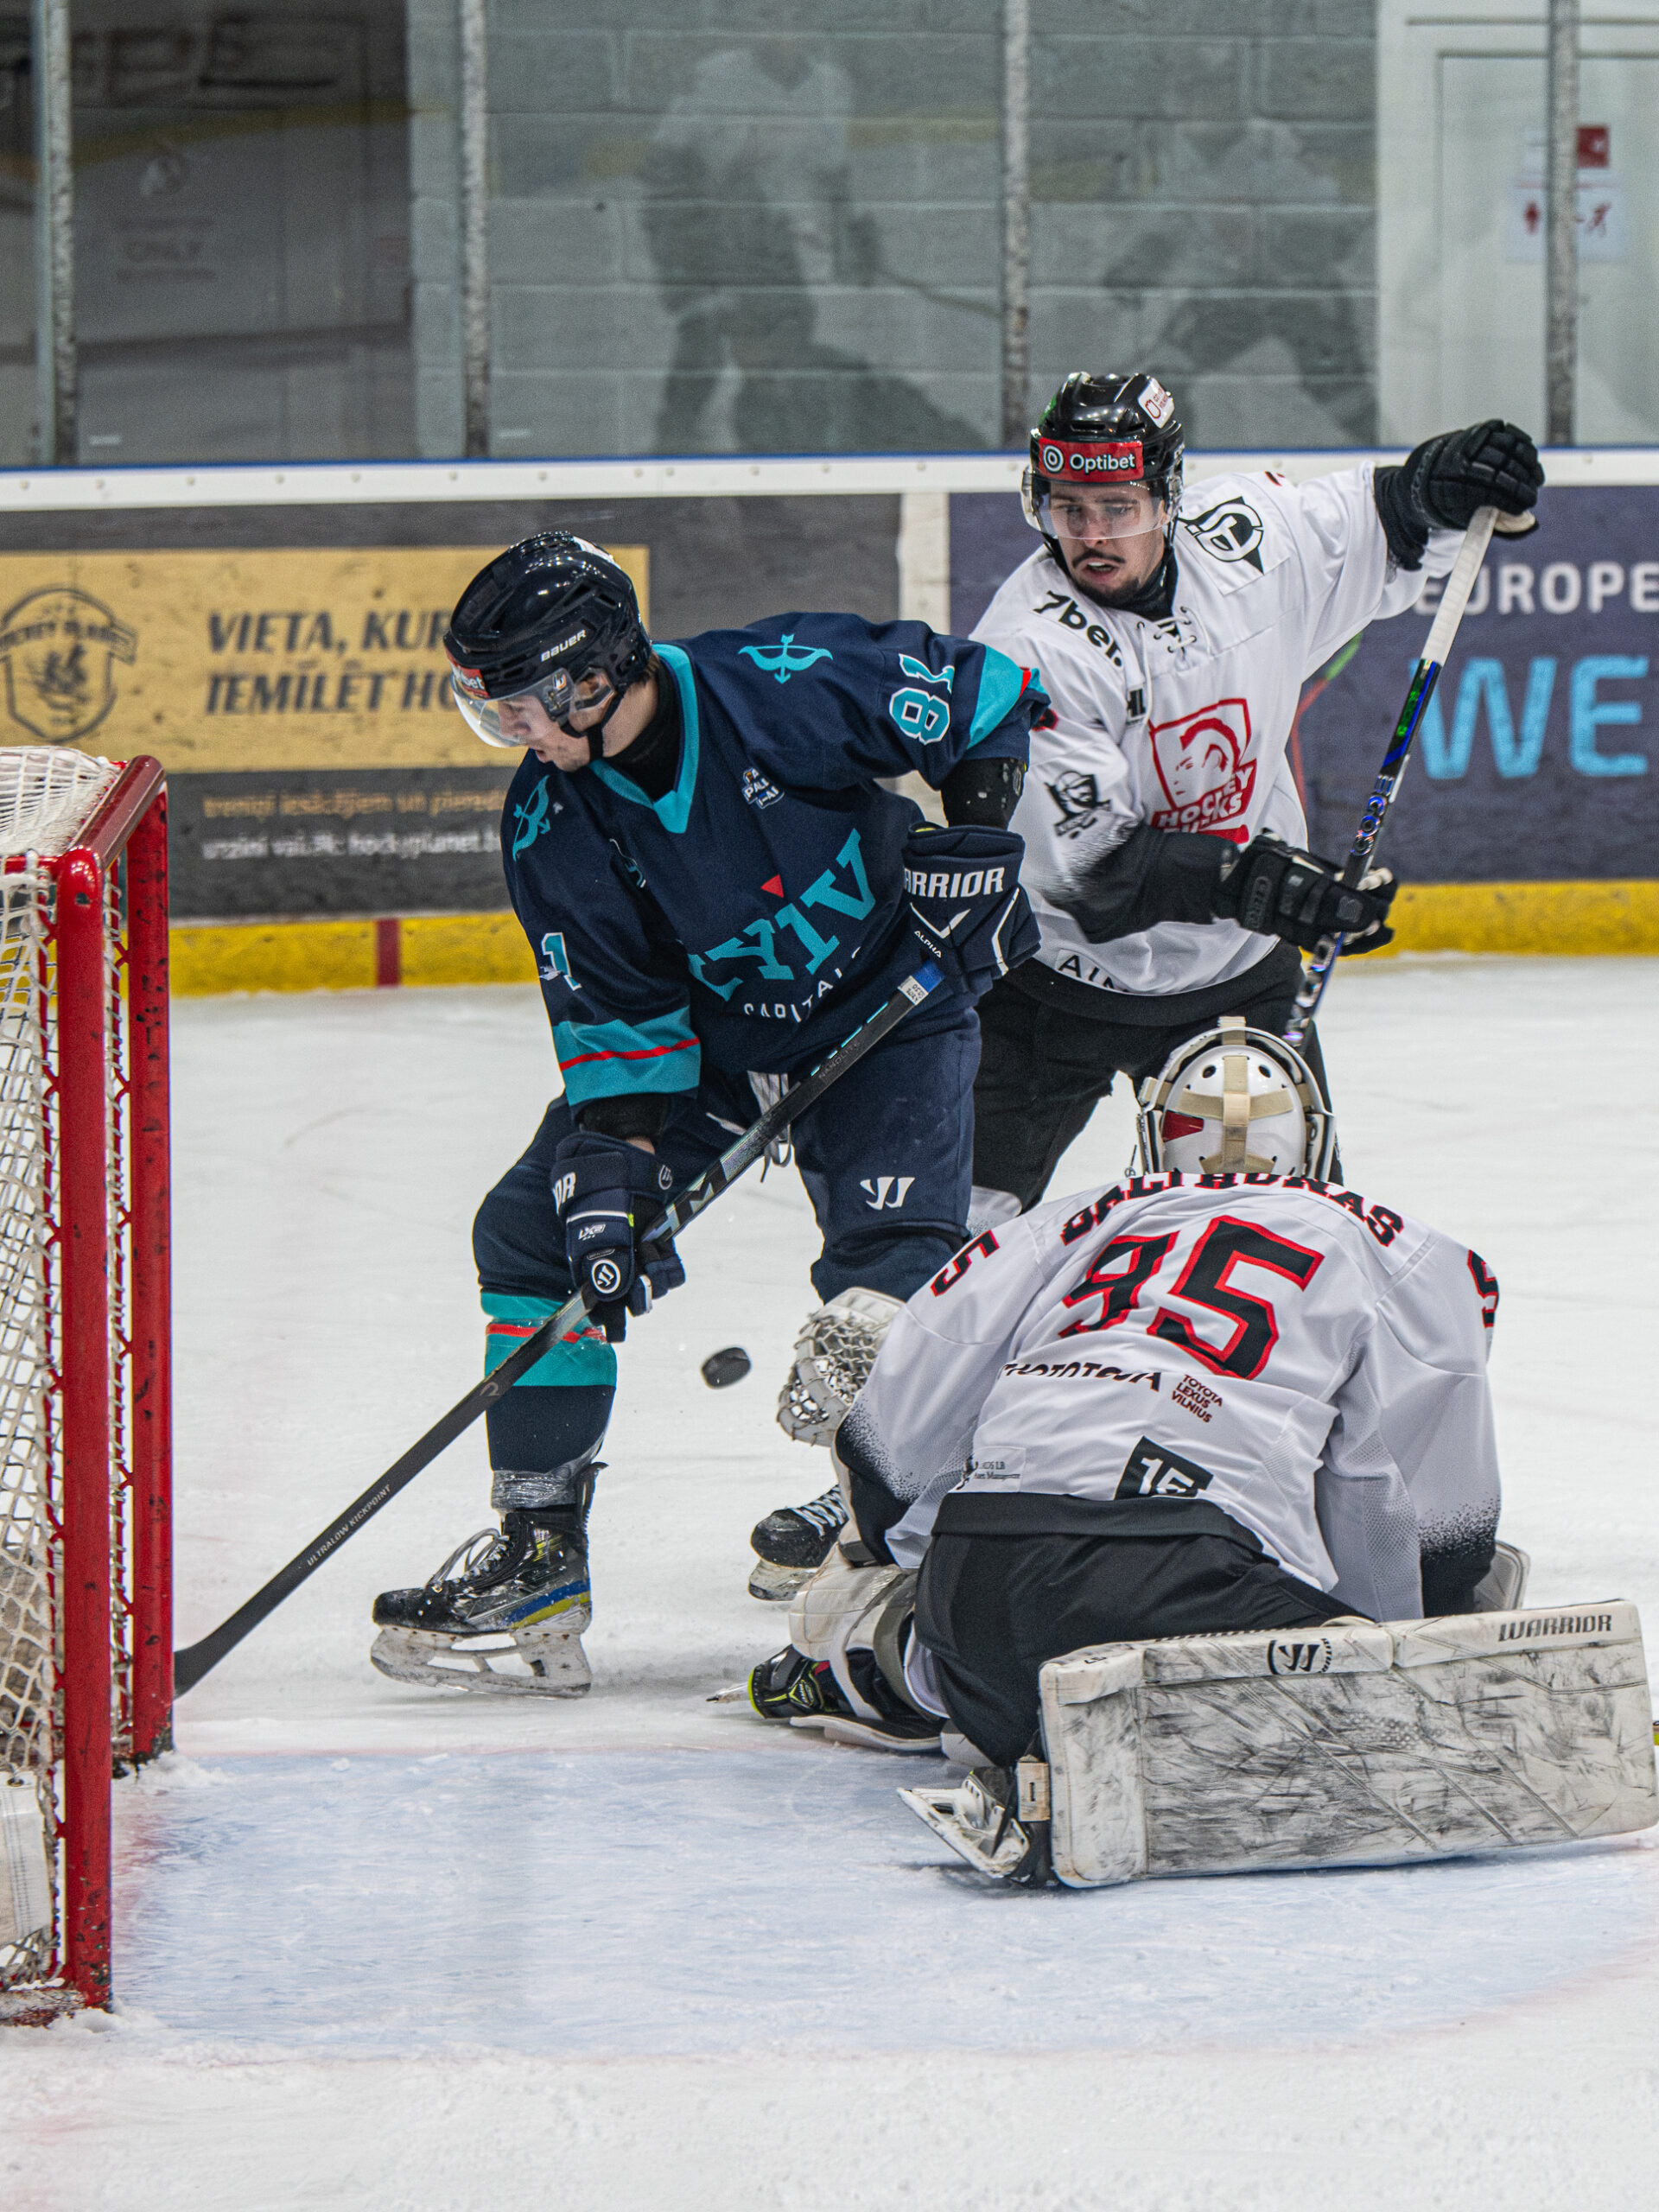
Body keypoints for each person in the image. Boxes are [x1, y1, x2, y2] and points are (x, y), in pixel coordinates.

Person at [369, 531, 1045, 1695]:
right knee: (534, 1231)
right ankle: (539, 1553)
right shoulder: (548, 821)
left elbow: (985, 696)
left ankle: (898, 1554)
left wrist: (978, 849)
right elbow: (620, 1029)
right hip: (721, 1047)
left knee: (891, 1289)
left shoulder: (778, 684)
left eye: (521, 704)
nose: (513, 732)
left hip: (892, 1005)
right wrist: (611, 1186)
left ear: (591, 679)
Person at [747, 1018, 1513, 1777]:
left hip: (980, 1583)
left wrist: (903, 1564)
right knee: (1464, 1615)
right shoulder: (1405, 1252)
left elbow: (894, 1442)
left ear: (1155, 1137)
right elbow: (1414, 1500)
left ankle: (885, 1662)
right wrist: (1411, 1644)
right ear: (1314, 1139)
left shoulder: (1048, 1229)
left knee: (960, 1636)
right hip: (1198, 1587)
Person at [967, 371, 1544, 1220]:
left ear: (1169, 497)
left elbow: (1388, 514)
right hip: (1045, 985)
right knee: (945, 1252)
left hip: (1233, 983)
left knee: (1281, 1236)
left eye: (1118, 507)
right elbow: (1094, 872)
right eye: (1068, 508)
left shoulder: (1248, 539)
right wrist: (1270, 885)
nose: (1090, 536)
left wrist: (1449, 477)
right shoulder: (1027, 647)